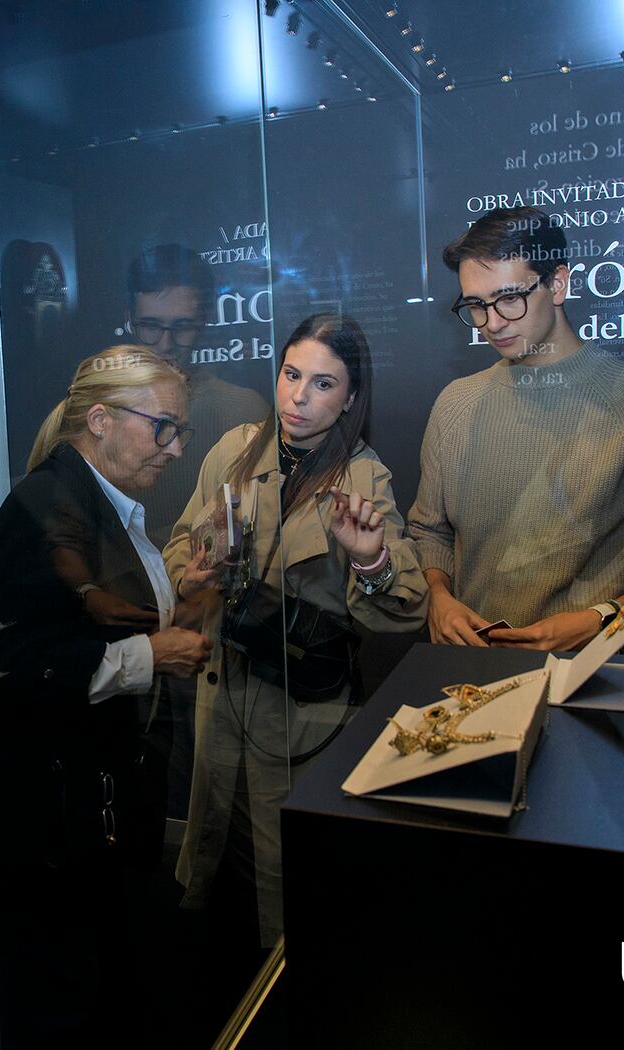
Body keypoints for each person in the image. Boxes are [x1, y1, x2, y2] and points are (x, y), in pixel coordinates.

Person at [0, 347, 212, 1049]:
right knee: (55, 1003)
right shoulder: (42, 510)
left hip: (93, 806)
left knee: (96, 987)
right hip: (47, 821)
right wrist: (148, 655)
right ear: (100, 419)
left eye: (181, 430)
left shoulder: (99, 497)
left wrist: (183, 593)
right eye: (162, 427)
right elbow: (10, 659)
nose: (174, 448)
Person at [165, 313, 426, 952]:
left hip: (301, 707)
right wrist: (195, 569)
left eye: (323, 384)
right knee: (208, 852)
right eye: (291, 375)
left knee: (288, 866)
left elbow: (409, 607)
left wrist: (370, 559)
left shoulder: (363, 478)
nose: (299, 397)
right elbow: (176, 550)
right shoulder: (234, 450)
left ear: (351, 400)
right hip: (222, 689)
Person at [408, 206, 624, 650]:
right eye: (476, 305)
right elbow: (431, 531)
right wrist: (439, 597)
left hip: (594, 675)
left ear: (557, 283)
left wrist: (602, 619)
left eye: (508, 298)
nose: (493, 322)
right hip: (475, 677)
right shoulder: (455, 404)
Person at [124, 244, 269, 548]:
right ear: (130, 320)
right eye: (150, 325)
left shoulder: (243, 411)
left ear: (203, 321)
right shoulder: (103, 415)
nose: (166, 343)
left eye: (182, 326)